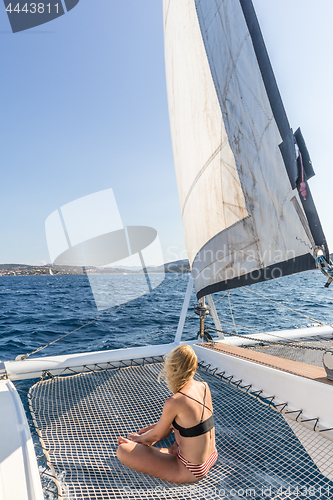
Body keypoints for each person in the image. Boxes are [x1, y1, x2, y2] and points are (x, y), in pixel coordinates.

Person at [117, 344, 217, 483]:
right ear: (193, 366)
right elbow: (194, 423)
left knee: (123, 450)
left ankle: (166, 451)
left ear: (173, 369)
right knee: (171, 424)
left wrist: (137, 440)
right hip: (211, 456)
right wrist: (157, 428)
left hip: (191, 470)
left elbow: (156, 435)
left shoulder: (175, 401)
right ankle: (171, 450)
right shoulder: (204, 386)